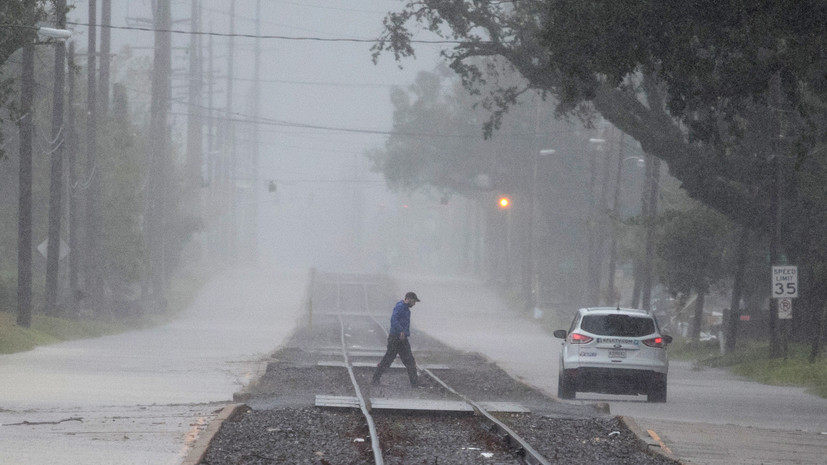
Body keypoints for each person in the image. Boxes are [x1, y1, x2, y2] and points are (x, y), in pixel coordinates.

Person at [372, 291, 420, 387]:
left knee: (409, 360)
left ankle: (415, 384)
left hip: (402, 339)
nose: (414, 304)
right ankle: (375, 379)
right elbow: (393, 319)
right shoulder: (400, 307)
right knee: (388, 359)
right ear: (409, 299)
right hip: (395, 338)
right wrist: (401, 330)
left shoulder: (405, 308)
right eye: (414, 301)